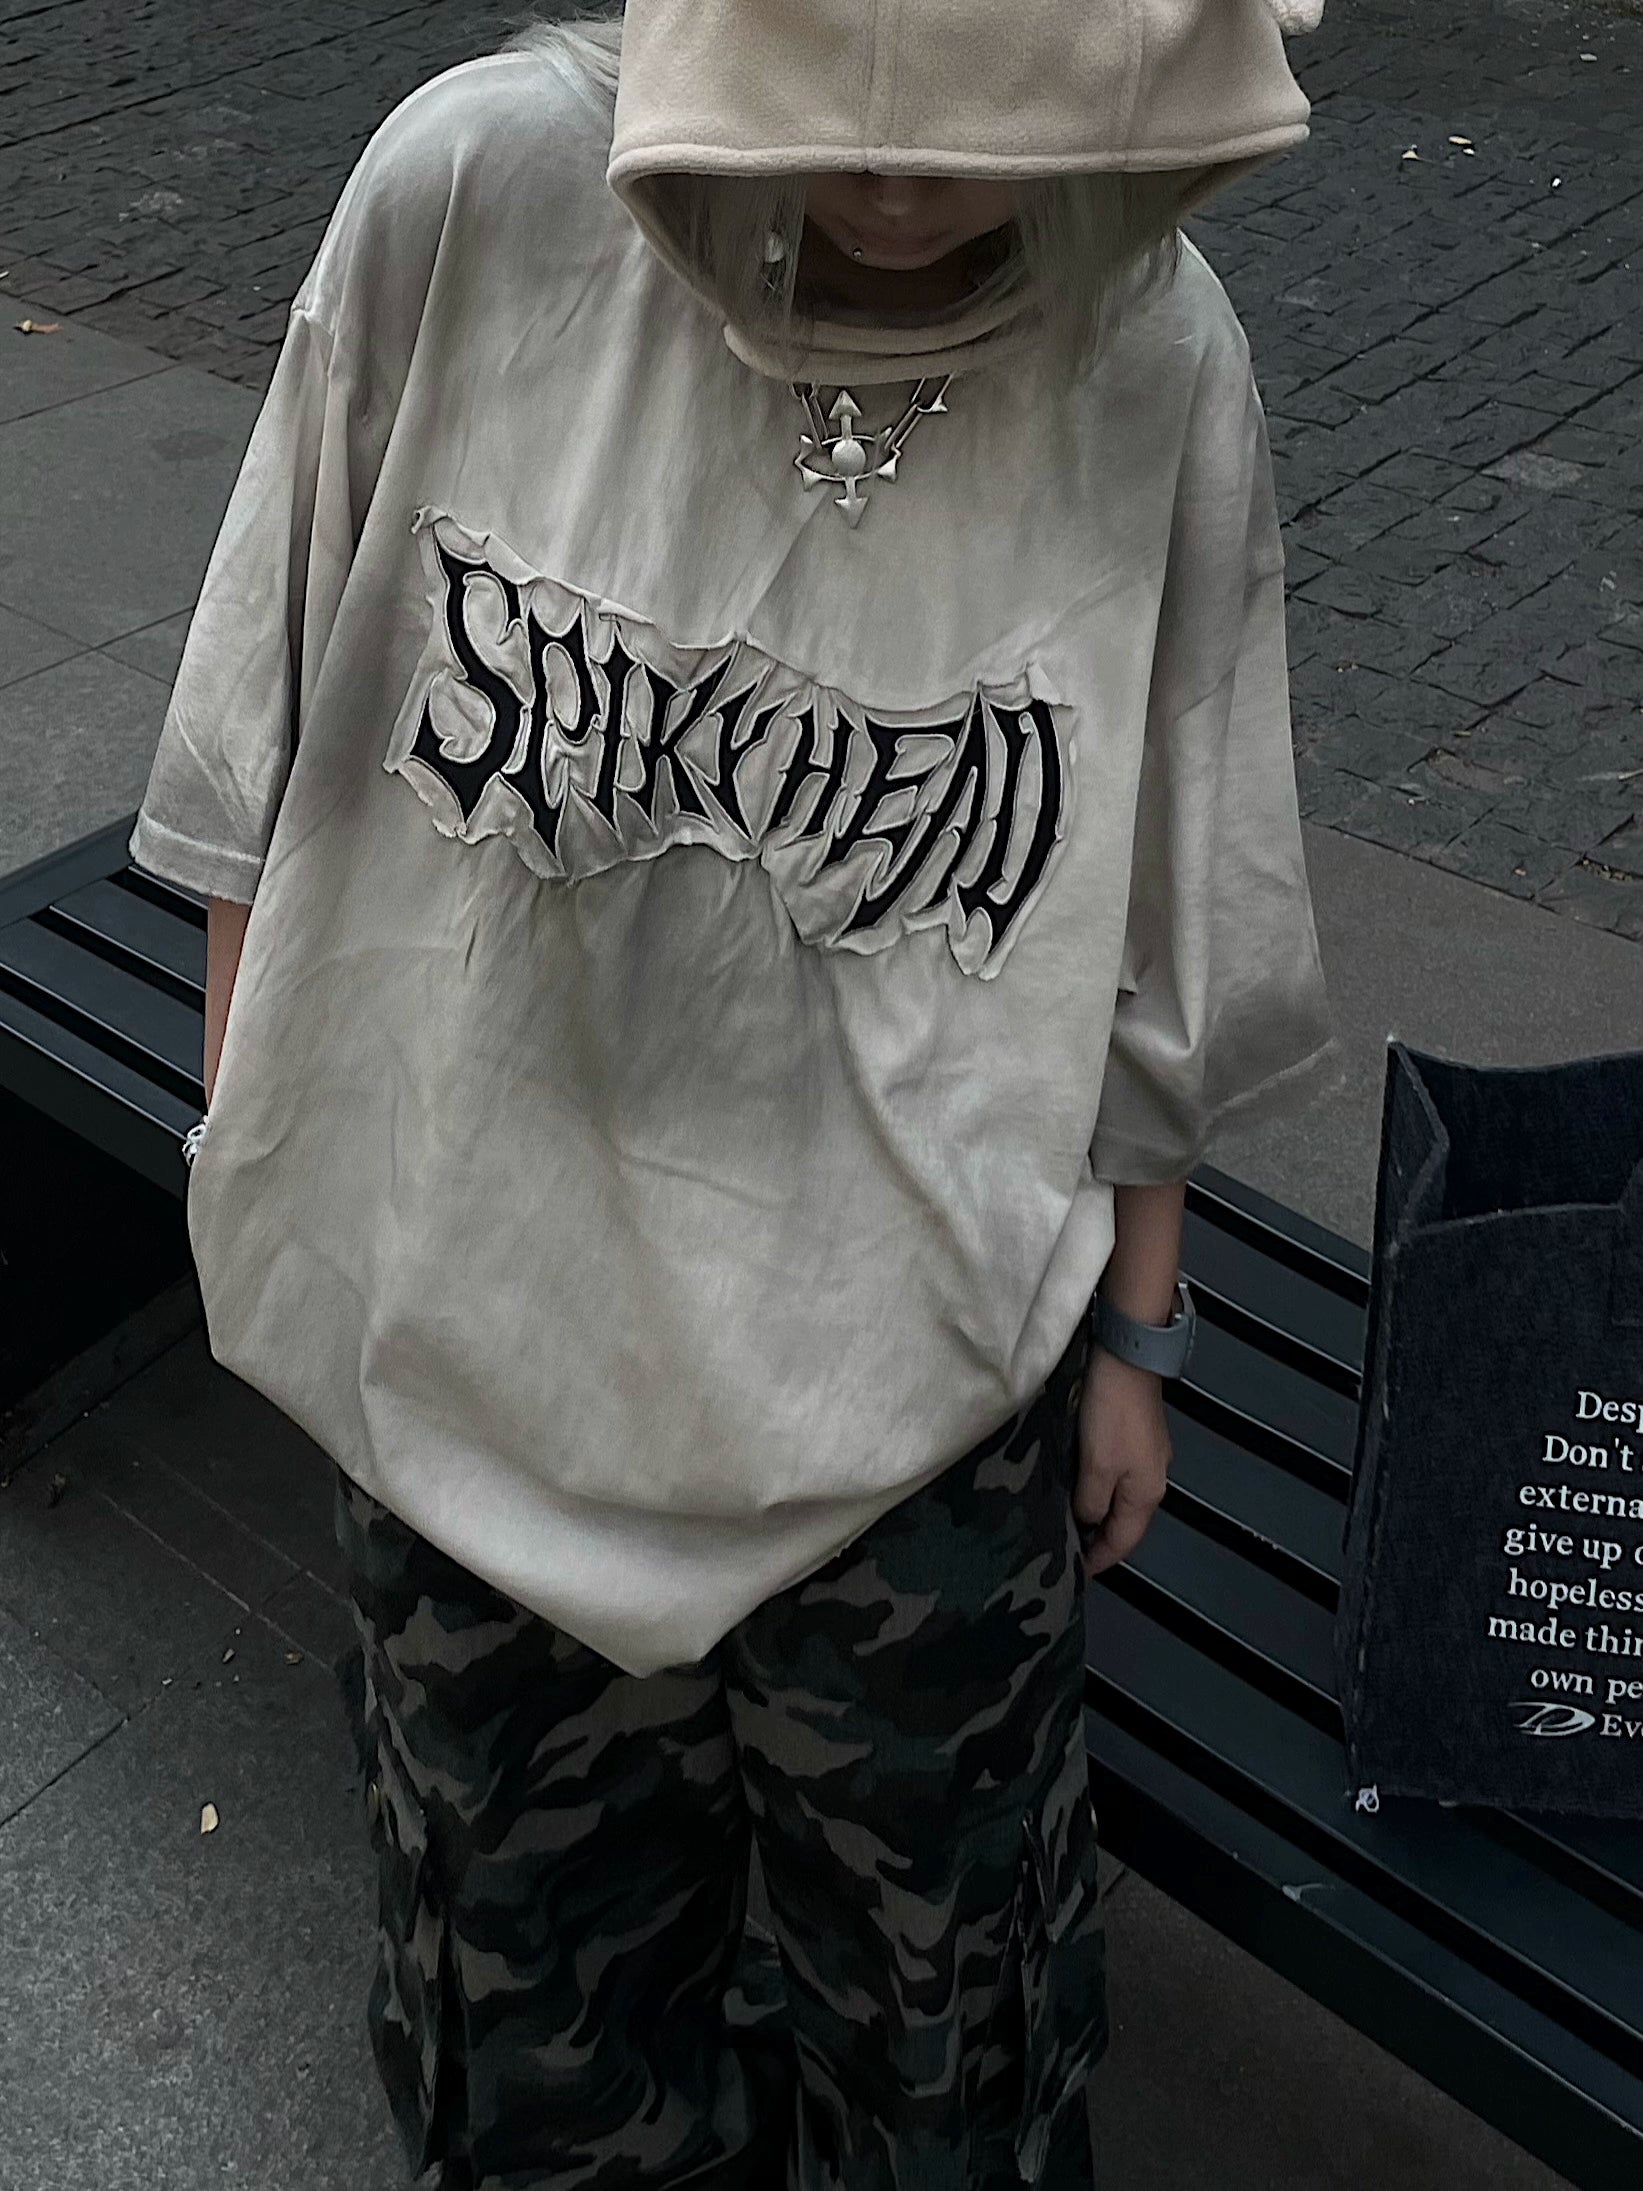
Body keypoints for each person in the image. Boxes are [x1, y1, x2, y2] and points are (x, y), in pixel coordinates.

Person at [130, 0, 1343, 2182]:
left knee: (937, 2037)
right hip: (476, 1344)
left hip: (921, 1407)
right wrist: (261, 1155)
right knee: (530, 2017)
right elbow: (264, 707)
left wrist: (1140, 1332)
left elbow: (1176, 878)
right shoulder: (478, 191)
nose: (897, 159)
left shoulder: (1155, 351)